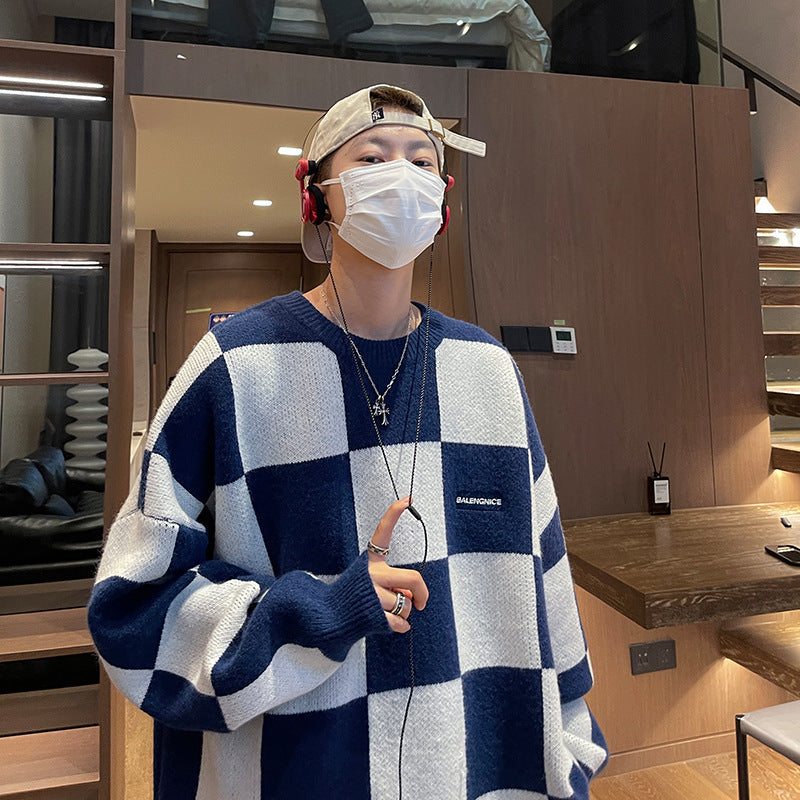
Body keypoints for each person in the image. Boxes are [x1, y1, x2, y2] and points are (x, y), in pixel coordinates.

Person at [88, 83, 608, 800]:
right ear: (317, 195)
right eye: (372, 157)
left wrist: (571, 747)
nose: (402, 175)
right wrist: (322, 611)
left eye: (422, 161)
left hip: (477, 767)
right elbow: (133, 606)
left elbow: (542, 570)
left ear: (443, 202)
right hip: (291, 772)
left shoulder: (487, 369)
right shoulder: (234, 367)